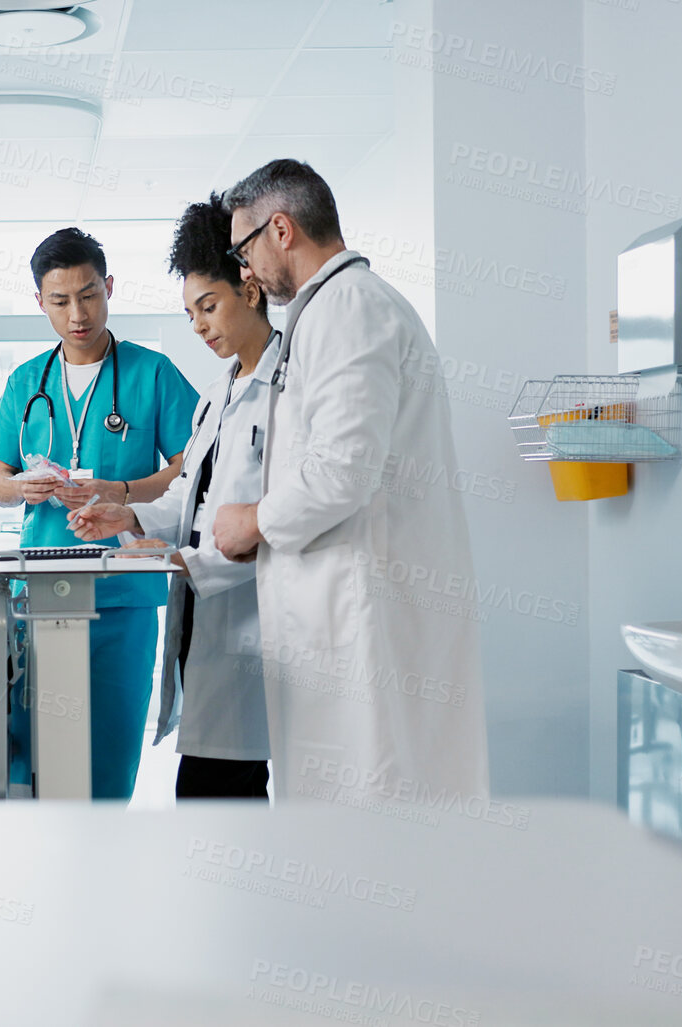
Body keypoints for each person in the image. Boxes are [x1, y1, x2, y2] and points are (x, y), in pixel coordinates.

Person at [208, 159, 490, 804]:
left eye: (242, 250)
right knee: (356, 797)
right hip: (341, 607)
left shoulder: (349, 309)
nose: (244, 271)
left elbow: (342, 470)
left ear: (281, 230)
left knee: (376, 795)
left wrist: (252, 520)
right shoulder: (330, 311)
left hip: (365, 609)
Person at [0, 227, 201, 800]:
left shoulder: (152, 374)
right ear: (40, 302)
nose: (77, 312)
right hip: (42, 584)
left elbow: (192, 470)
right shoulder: (28, 381)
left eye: (90, 294)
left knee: (109, 749)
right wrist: (20, 486)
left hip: (123, 589)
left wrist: (119, 490)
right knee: (37, 751)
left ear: (109, 288)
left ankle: (100, 874)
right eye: (60, 300)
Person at [67, 196, 274, 800]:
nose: (200, 326)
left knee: (221, 804)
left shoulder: (289, 390)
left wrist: (186, 560)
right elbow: (191, 492)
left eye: (208, 307)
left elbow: (283, 519)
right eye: (189, 315)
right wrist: (128, 514)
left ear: (251, 288)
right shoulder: (217, 396)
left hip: (257, 628)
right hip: (207, 631)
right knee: (213, 799)